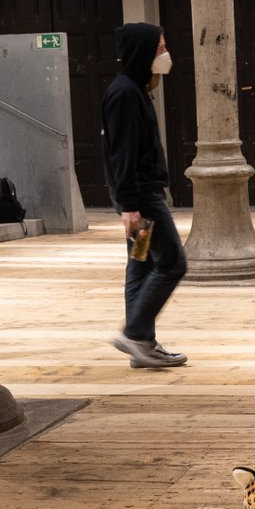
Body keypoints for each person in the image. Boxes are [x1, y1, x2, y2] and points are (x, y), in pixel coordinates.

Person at [101, 22, 188, 369]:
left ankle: (142, 345)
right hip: (143, 199)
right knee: (172, 263)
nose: (165, 53)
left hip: (139, 197)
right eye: (160, 47)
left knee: (140, 265)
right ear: (143, 50)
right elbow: (121, 153)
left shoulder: (133, 89)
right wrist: (130, 206)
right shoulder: (124, 93)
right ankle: (135, 333)